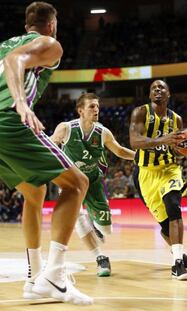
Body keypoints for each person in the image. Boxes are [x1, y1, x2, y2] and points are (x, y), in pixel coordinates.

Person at [0, 2, 92, 304]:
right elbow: (17, 59)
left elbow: (9, 56)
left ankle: (34, 278)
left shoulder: (3, 45)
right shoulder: (50, 44)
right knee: (78, 183)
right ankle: (54, 276)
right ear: (51, 25)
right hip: (8, 119)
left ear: (27, 24)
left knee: (34, 192)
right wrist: (21, 102)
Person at [50, 93, 135, 277]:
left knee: (106, 229)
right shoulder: (66, 128)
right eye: (91, 107)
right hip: (71, 181)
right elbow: (49, 145)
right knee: (77, 218)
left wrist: (141, 156)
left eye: (97, 106)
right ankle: (100, 258)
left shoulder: (103, 132)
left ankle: (97, 225)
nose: (96, 109)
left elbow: (119, 150)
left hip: (93, 180)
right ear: (80, 110)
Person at [129, 80, 187, 280]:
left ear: (168, 94)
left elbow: (177, 149)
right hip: (145, 173)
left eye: (162, 87)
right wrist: (161, 140)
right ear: (149, 95)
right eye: (154, 88)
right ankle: (177, 251)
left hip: (170, 169)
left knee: (174, 206)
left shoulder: (177, 119)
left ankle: (178, 264)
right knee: (165, 226)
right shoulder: (140, 113)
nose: (158, 90)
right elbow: (134, 141)